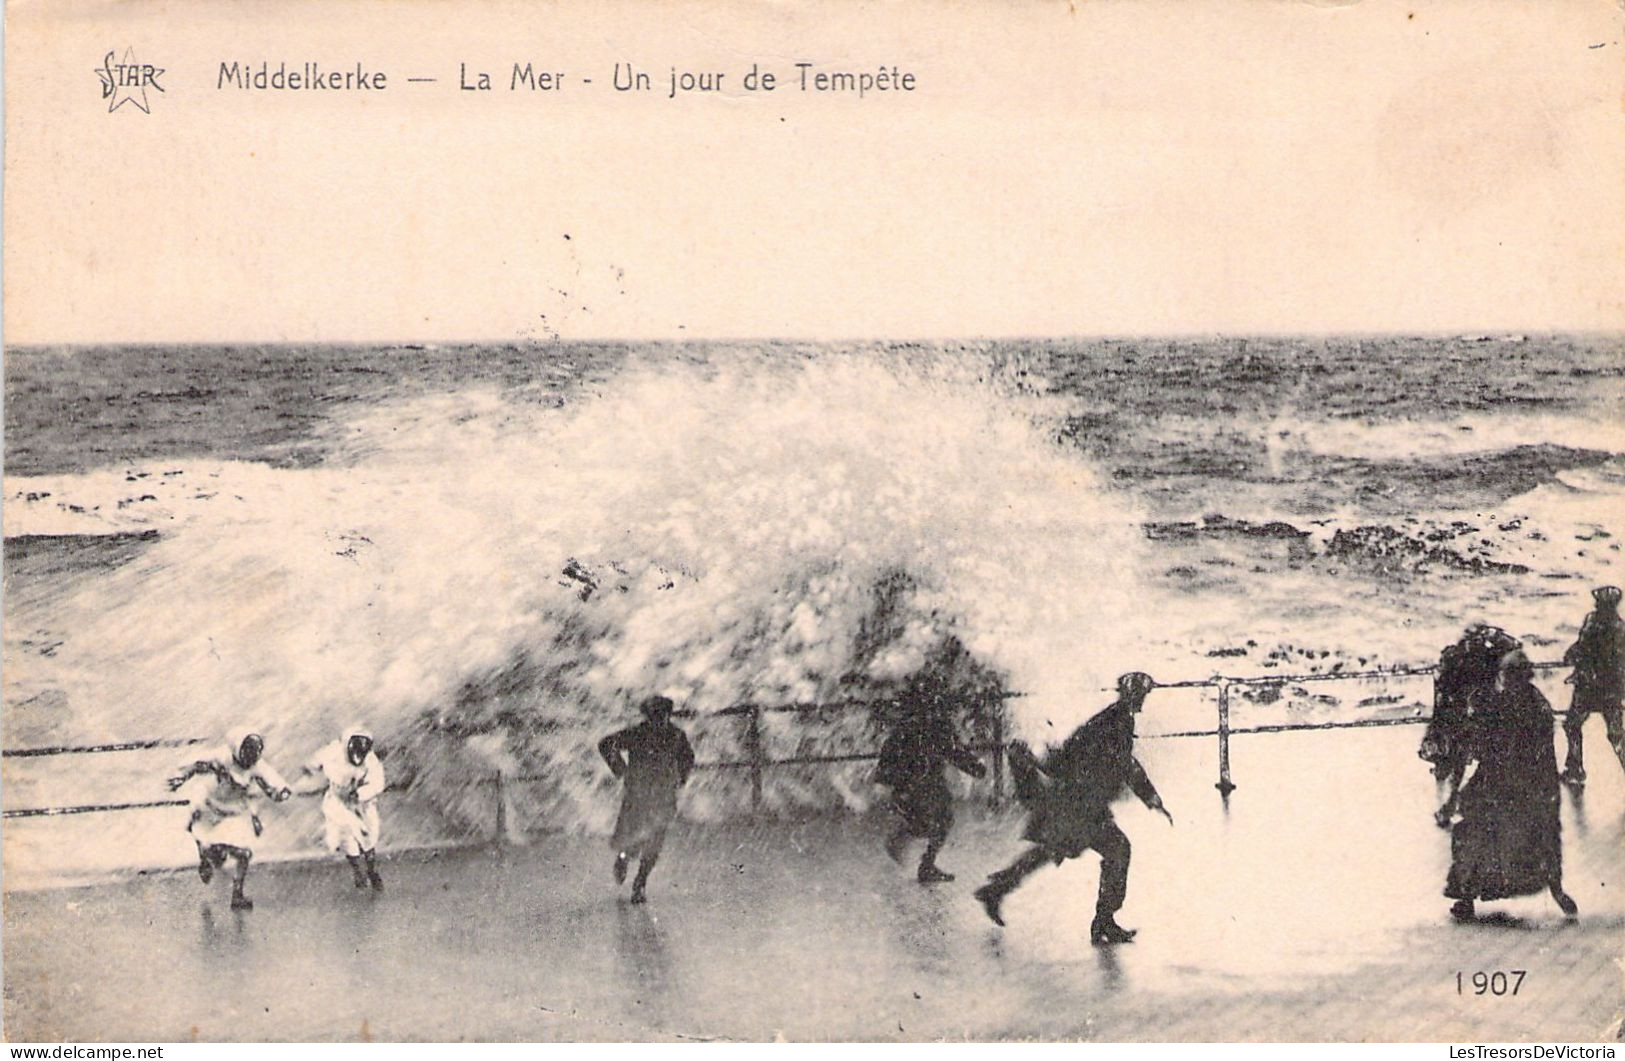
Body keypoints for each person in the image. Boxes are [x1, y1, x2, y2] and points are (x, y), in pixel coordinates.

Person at [973, 672, 1172, 944]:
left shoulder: (1112, 718)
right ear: (1132, 694)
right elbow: (1124, 764)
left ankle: (996, 890)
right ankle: (1104, 921)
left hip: (1076, 802)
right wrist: (1151, 798)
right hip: (1081, 806)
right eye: (1142, 694)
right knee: (1116, 850)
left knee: (1051, 851)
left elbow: (1077, 753)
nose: (1143, 700)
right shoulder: (1118, 721)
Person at [1444, 649, 1577, 923]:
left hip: (1513, 782)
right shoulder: (1534, 703)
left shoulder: (1512, 704)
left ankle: (1467, 897)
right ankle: (1555, 890)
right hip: (1518, 781)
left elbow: (1483, 744)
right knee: (1489, 832)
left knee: (1479, 832)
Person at [166, 729, 292, 910]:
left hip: (233, 813)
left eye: (254, 753)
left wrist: (282, 791)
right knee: (211, 849)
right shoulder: (220, 758)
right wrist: (180, 778)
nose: (250, 757)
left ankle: (237, 895)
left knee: (244, 854)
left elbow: (272, 782)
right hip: (209, 808)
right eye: (247, 752)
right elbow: (194, 764)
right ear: (237, 749)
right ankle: (205, 857)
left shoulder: (257, 767)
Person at [875, 685, 988, 884]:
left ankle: (913, 849)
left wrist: (887, 781)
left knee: (930, 823)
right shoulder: (937, 725)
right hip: (926, 784)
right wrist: (976, 769)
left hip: (909, 785)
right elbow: (955, 753)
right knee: (940, 822)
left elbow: (888, 755)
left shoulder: (906, 727)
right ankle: (924, 863)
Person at [1420, 624, 1522, 827]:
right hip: (1475, 718)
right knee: (1477, 763)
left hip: (1467, 719)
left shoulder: (1458, 657)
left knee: (1465, 764)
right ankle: (1457, 804)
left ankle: (1453, 804)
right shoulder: (1483, 656)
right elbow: (1515, 646)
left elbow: (1442, 694)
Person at [598, 695, 695, 904]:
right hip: (639, 796)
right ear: (647, 717)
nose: (659, 721)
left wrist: (680, 778)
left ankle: (640, 882)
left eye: (663, 716)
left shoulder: (676, 735)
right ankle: (623, 860)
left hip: (661, 797)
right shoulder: (637, 734)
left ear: (668, 715)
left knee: (654, 843)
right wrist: (621, 770)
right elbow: (606, 745)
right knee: (634, 839)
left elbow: (688, 757)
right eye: (654, 716)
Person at [301, 725, 388, 891]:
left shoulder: (371, 761)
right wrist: (311, 767)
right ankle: (358, 872)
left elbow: (378, 783)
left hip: (363, 803)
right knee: (346, 835)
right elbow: (318, 758)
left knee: (368, 838)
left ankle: (371, 870)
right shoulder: (334, 751)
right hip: (338, 801)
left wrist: (361, 793)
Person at [1559, 585, 1625, 786]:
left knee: (1572, 724)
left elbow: (1581, 648)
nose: (1596, 603)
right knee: (1616, 734)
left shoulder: (1592, 622)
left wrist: (1570, 658)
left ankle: (1575, 769)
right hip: (1612, 690)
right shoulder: (1620, 626)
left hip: (1588, 688)